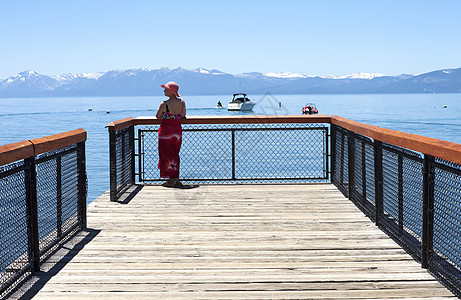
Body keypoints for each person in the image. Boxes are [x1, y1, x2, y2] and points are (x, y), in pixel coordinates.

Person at [156, 81, 186, 187]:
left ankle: (170, 180)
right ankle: (176, 178)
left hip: (165, 132)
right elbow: (183, 115)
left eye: (165, 89)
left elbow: (157, 116)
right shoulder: (182, 102)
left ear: (170, 91)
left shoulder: (164, 104)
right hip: (177, 132)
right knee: (174, 154)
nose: (164, 91)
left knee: (165, 154)